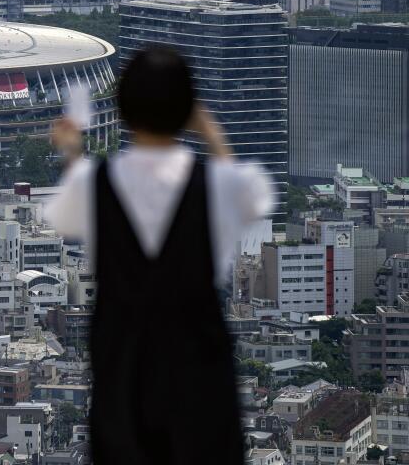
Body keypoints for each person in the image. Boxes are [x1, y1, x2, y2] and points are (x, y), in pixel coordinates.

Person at [45, 47, 273, 465]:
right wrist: (209, 131)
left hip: (122, 370)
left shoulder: (91, 184)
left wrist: (72, 152)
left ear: (123, 111)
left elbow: (63, 217)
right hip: (198, 369)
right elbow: (254, 198)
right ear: (187, 109)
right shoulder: (219, 185)